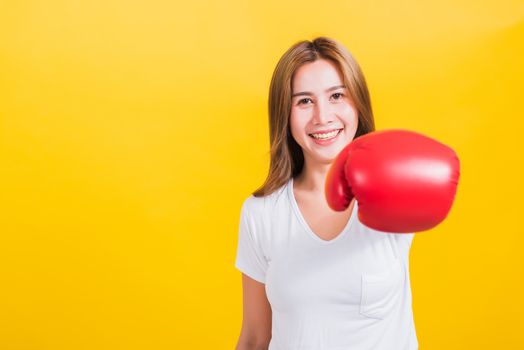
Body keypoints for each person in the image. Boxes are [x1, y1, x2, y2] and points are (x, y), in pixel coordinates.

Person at [234, 37, 418, 350]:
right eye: (304, 101)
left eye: (336, 96)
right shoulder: (261, 213)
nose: (322, 117)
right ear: (285, 114)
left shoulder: (394, 193)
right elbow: (254, 338)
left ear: (357, 102)